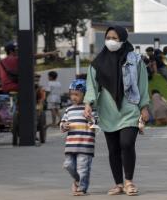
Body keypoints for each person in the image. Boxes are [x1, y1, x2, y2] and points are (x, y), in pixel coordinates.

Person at [83, 26, 150, 196]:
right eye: (108, 37)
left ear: (123, 39)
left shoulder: (136, 60)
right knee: (113, 149)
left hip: (130, 109)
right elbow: (92, 85)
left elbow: (142, 85)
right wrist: (88, 104)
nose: (111, 41)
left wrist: (144, 107)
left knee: (126, 144)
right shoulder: (97, 62)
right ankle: (118, 184)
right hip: (108, 110)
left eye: (115, 37)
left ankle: (129, 181)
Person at [60, 79, 95, 196]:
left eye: (77, 94)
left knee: (83, 168)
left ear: (84, 95)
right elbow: (62, 123)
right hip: (71, 145)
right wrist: (64, 125)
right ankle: (77, 179)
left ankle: (82, 188)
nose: (73, 97)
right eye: (71, 94)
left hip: (85, 145)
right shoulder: (68, 109)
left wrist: (90, 119)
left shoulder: (89, 109)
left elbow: (96, 125)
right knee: (68, 165)